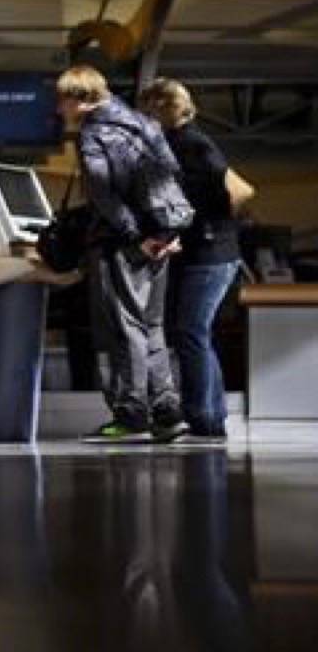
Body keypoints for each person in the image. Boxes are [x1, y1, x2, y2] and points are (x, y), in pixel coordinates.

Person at [55, 65, 189, 444]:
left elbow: (102, 194)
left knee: (125, 325)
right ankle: (167, 412)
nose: (58, 109)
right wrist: (168, 232)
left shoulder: (93, 134)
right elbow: (173, 177)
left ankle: (131, 415)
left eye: (62, 100)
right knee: (153, 325)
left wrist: (134, 238)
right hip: (160, 239)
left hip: (121, 243)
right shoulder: (145, 124)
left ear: (80, 100)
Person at [139, 79, 242, 440]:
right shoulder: (182, 142)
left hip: (210, 253)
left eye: (149, 107)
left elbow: (230, 192)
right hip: (212, 251)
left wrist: (192, 231)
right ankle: (209, 415)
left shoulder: (192, 145)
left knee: (190, 332)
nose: (145, 116)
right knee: (195, 333)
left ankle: (205, 417)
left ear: (163, 106)